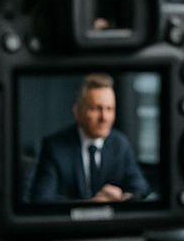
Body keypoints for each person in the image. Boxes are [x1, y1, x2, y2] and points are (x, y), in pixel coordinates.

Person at [27, 73, 151, 203]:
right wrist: (89, 206)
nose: (104, 117)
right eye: (96, 109)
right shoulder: (54, 147)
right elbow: (41, 198)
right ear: (77, 111)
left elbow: (141, 188)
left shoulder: (120, 144)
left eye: (109, 109)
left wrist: (122, 197)